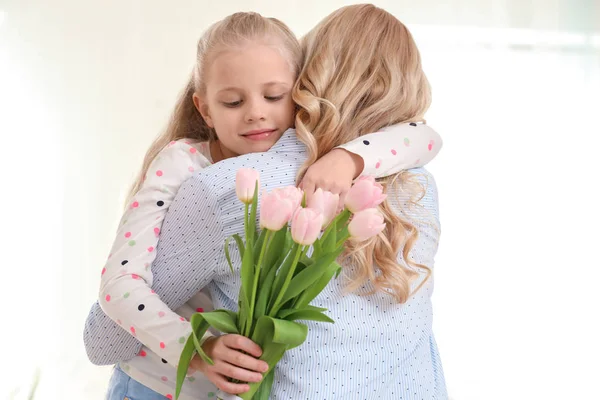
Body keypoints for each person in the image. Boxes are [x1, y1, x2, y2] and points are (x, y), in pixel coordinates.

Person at [88, 9, 443, 400]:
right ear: (204, 108)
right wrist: (196, 347)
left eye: (274, 96)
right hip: (156, 382)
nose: (257, 111)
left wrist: (348, 158)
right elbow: (117, 290)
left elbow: (425, 137)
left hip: (216, 383)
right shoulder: (186, 166)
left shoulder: (315, 166)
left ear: (303, 91)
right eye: (233, 101)